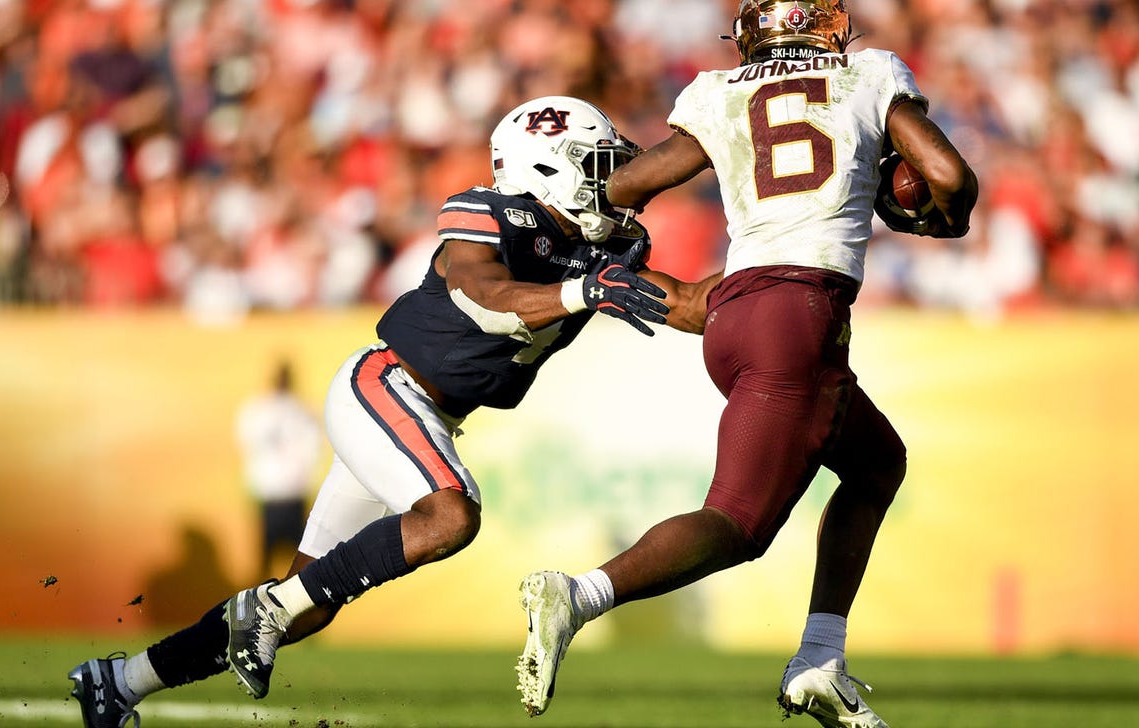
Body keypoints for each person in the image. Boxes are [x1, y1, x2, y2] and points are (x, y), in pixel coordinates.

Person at [67, 95, 720, 728]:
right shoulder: (494, 215)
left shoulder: (612, 253)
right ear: (547, 169)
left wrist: (790, 267)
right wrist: (579, 291)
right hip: (384, 385)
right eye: (598, 164)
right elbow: (481, 291)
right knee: (447, 516)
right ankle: (262, 611)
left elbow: (690, 304)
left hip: (425, 413)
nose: (617, 178)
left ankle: (121, 682)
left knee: (306, 607)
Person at [515, 3, 977, 728]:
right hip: (800, 312)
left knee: (878, 463)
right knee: (738, 523)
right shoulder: (868, 73)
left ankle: (821, 659)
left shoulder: (717, 91)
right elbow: (946, 172)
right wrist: (946, 212)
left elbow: (630, 187)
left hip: (734, 313)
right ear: (830, 24)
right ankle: (580, 596)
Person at [235, 358, 322, 580]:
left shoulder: (266, 409)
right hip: (274, 493)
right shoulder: (267, 409)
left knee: (299, 560)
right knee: (273, 559)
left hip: (288, 494)